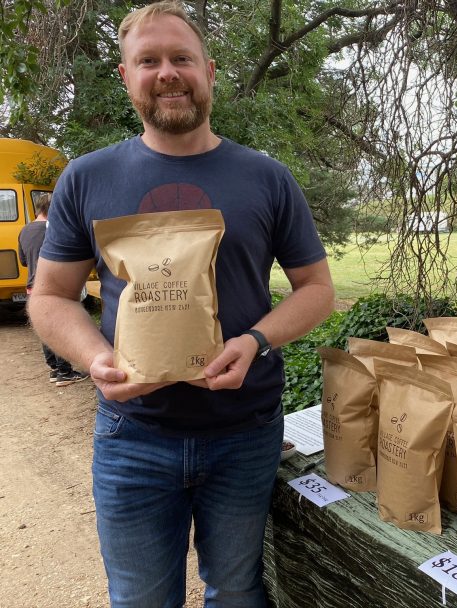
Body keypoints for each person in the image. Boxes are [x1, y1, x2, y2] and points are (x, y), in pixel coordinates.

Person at [28, 2, 335, 606]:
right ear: (126, 76)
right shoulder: (87, 179)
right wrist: (95, 359)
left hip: (244, 433)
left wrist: (255, 341)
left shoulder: (267, 178)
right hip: (132, 436)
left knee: (237, 591)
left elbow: (318, 289)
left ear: (209, 71)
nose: (167, 73)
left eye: (181, 58)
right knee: (141, 598)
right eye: (149, 61)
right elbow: (50, 297)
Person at [18, 193, 89, 387]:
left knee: (47, 328)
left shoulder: (24, 230)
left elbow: (23, 261)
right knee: (60, 327)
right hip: (52, 286)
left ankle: (55, 369)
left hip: (33, 285)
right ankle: (64, 372)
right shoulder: (52, 229)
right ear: (53, 209)